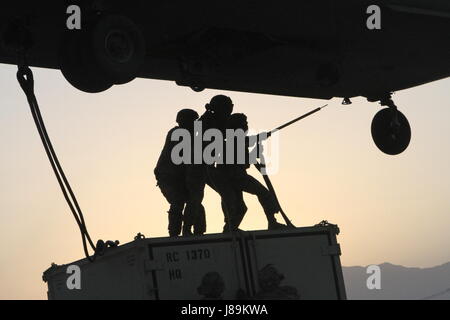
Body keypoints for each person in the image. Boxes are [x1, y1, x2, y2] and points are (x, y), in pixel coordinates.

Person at [218, 113, 287, 231]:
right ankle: (272, 222)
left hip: (234, 177)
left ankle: (230, 228)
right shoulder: (233, 140)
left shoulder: (234, 139)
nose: (246, 126)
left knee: (240, 207)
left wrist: (258, 143)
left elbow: (247, 151)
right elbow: (247, 145)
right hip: (236, 177)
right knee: (264, 194)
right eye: (244, 123)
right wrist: (259, 141)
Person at [154, 109, 206, 237]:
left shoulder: (190, 135)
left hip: (181, 178)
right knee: (178, 202)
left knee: (196, 205)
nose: (195, 124)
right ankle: (174, 234)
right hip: (168, 178)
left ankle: (197, 232)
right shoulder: (177, 134)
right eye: (193, 121)